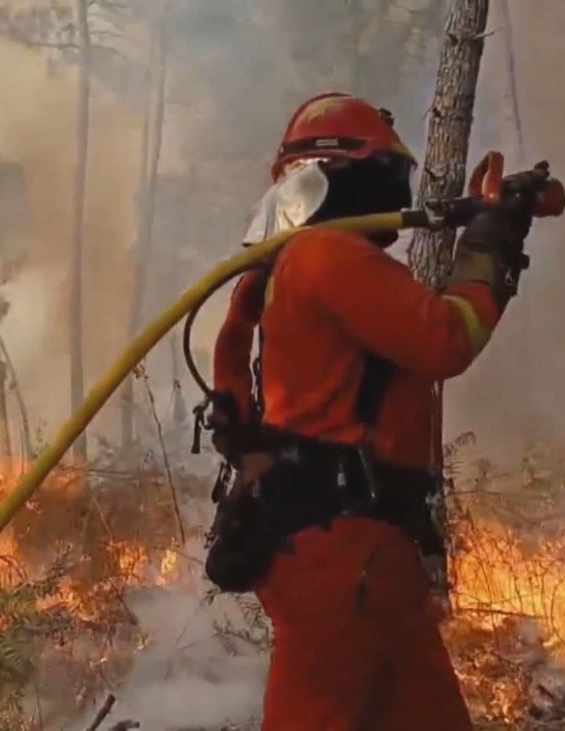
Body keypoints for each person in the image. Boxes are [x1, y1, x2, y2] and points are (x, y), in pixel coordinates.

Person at [206, 92, 537, 730]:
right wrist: (489, 248)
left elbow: (229, 355)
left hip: (367, 556)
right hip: (341, 558)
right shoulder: (330, 258)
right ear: (353, 175)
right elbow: (446, 338)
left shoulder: (284, 264)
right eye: (389, 174)